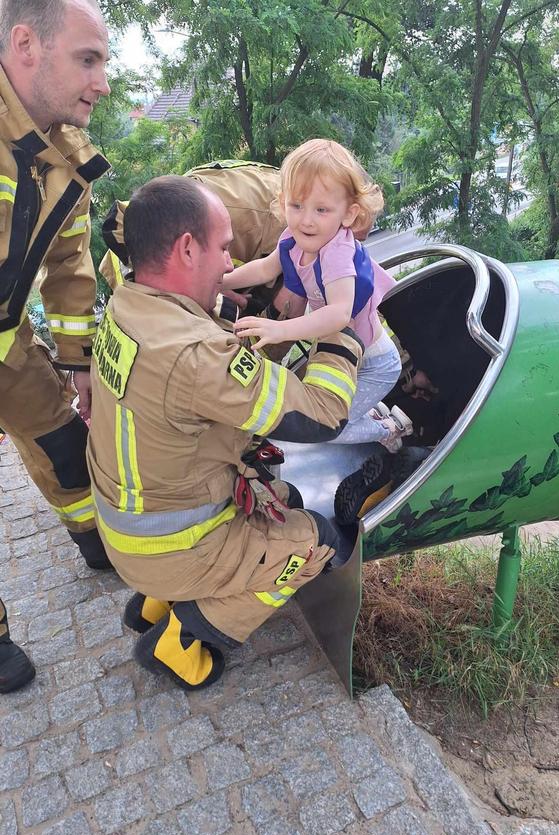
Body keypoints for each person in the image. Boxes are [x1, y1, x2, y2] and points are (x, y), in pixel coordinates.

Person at [86, 175, 364, 691]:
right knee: (316, 542)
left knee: (287, 496)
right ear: (186, 249)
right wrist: (344, 336)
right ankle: (182, 638)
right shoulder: (195, 356)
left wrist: (267, 325)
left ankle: (157, 598)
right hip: (171, 543)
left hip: (132, 523)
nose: (230, 264)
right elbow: (324, 414)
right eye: (223, 247)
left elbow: (203, 375)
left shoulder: (129, 303)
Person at [0, 0, 112, 692]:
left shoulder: (66, 158)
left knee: (67, 444)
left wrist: (81, 370)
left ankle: (92, 535)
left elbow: (71, 268)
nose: (102, 82)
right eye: (88, 59)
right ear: (24, 45)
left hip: (11, 350)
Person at [223, 139, 413, 452]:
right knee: (333, 414)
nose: (306, 220)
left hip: (373, 364)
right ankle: (371, 411)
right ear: (283, 202)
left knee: (326, 428)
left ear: (349, 214)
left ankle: (387, 428)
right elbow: (265, 270)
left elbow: (339, 313)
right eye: (296, 206)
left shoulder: (337, 253)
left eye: (321, 209)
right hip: (345, 356)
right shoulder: (293, 238)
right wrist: (221, 281)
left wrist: (279, 329)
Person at [99, 160, 285, 315]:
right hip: (131, 273)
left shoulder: (292, 213)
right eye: (223, 248)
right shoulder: (271, 218)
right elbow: (122, 220)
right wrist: (218, 288)